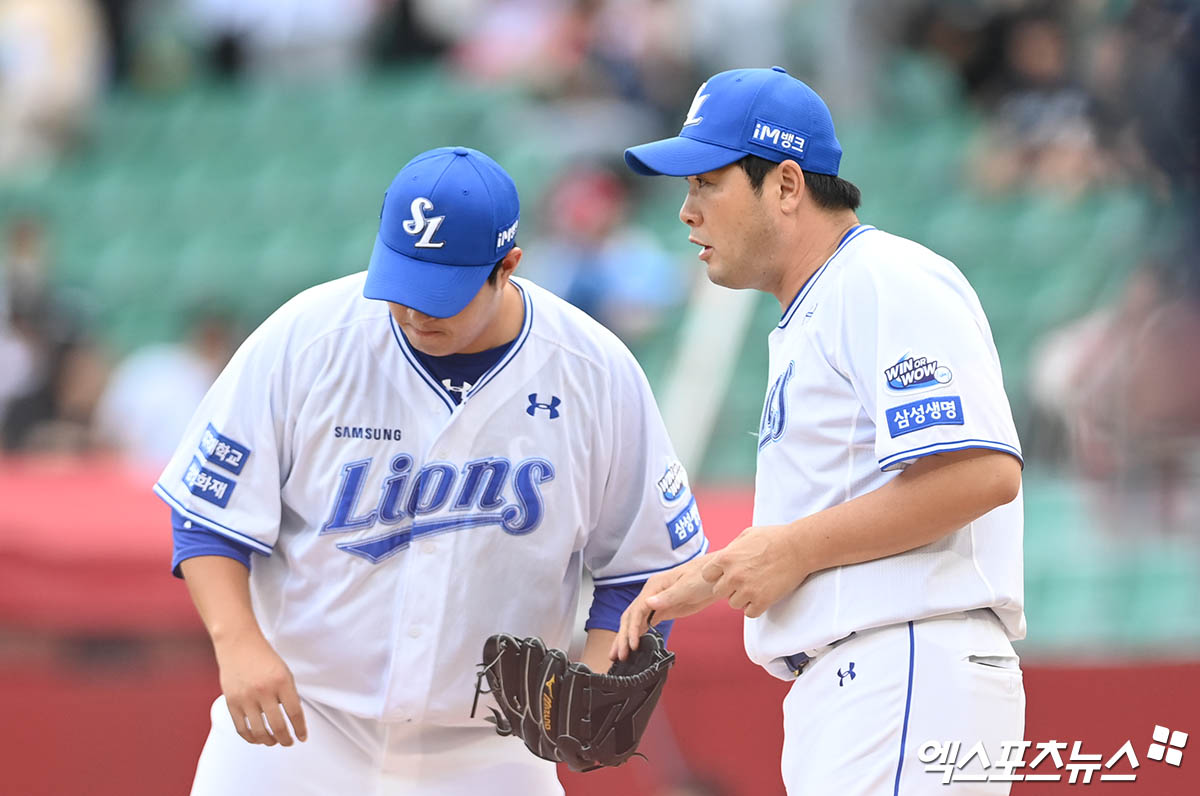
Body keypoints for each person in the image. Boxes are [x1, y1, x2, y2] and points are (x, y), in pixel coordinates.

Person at [153, 146, 706, 795]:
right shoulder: (309, 338)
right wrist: (237, 642)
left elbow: (644, 566)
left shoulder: (594, 372)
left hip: (491, 751)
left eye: (439, 295)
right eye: (401, 286)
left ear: (508, 267)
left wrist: (598, 677)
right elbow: (207, 513)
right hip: (302, 728)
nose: (414, 312)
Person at [615, 67, 1026, 794]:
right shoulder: (820, 302)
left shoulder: (881, 277)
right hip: (870, 680)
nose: (685, 211)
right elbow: (847, 496)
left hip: (903, 665)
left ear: (784, 185)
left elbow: (981, 473)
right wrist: (712, 574)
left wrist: (792, 548)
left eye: (705, 182)